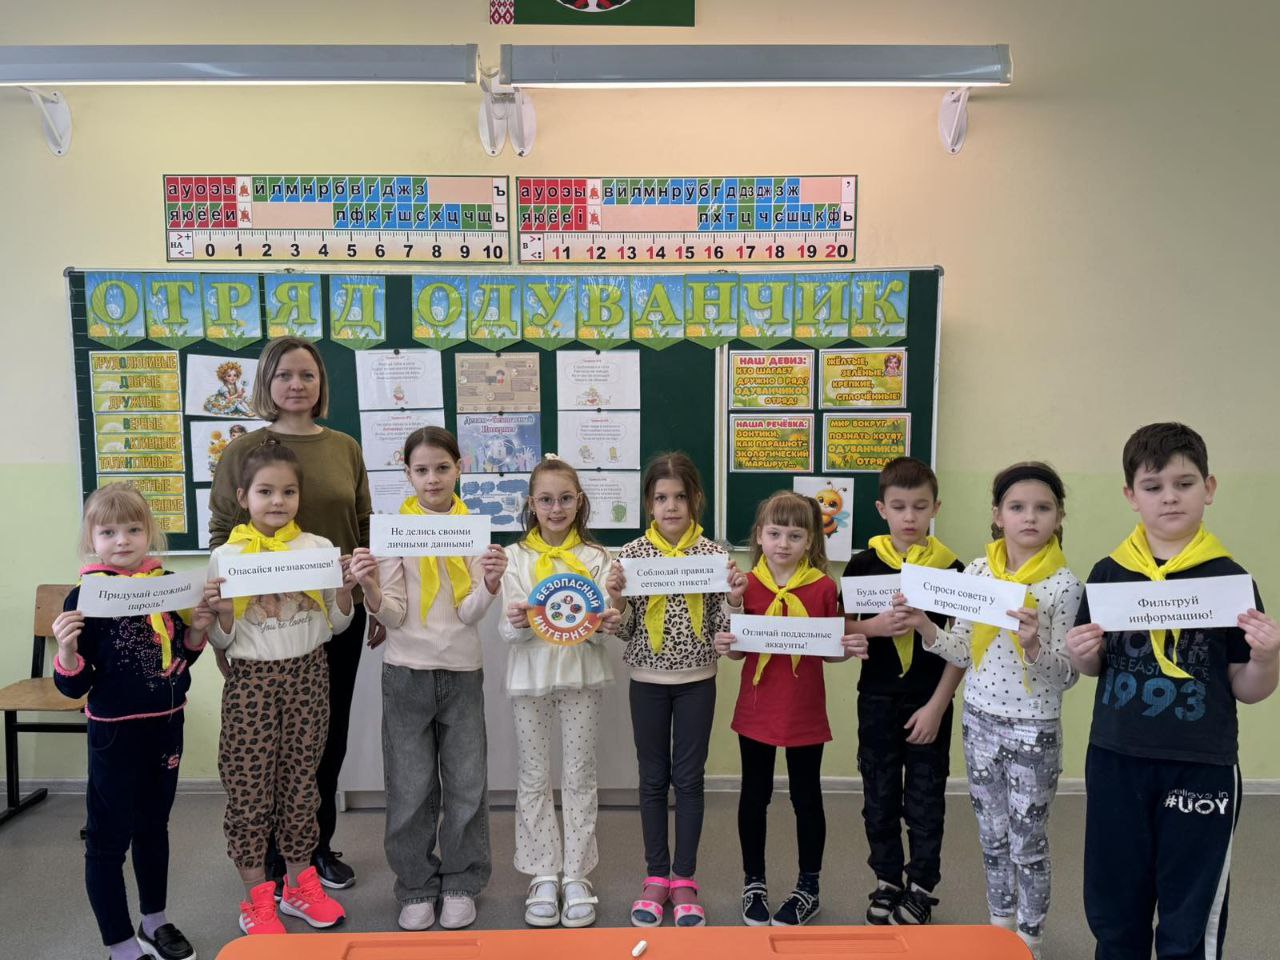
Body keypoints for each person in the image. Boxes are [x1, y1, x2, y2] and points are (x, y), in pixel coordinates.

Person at [1066, 423, 1278, 960]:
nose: (1169, 497)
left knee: (1190, 915)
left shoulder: (1230, 580)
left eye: (1184, 484)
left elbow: (1248, 689)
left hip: (1200, 765)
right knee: (1115, 908)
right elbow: (1093, 667)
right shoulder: (1108, 574)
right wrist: (1082, 652)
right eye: (1153, 486)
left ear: (1209, 488)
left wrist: (1267, 657)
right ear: (1130, 495)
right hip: (1115, 760)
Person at [208, 336, 371, 890]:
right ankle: (271, 860)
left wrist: (369, 600)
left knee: (324, 736)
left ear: (321, 383)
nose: (296, 385)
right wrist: (224, 631)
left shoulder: (345, 447)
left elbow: (362, 526)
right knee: (265, 748)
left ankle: (314, 849)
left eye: (307, 375)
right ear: (266, 383)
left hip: (335, 612)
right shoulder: (242, 449)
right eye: (284, 375)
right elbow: (222, 538)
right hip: (259, 624)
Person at [906, 461, 1082, 959]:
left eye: (1043, 508)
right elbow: (962, 650)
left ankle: (1029, 940)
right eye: (1017, 507)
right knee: (992, 837)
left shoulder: (1065, 585)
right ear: (998, 515)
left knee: (1028, 844)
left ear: (1058, 517)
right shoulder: (978, 572)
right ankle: (999, 931)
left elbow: (1068, 675)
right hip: (979, 722)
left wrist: (1033, 646)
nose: (1030, 517)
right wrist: (924, 626)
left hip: (1033, 730)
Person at [350, 426, 506, 931]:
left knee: (466, 784)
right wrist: (371, 589)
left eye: (442, 467)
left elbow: (468, 612)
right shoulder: (393, 530)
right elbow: (394, 615)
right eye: (421, 470)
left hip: (461, 673)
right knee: (410, 787)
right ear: (408, 474)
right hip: (406, 674)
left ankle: (461, 881)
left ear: (459, 468)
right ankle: (416, 885)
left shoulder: (472, 530)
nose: (433, 478)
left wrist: (489, 584)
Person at [52, 485, 210, 960]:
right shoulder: (84, 598)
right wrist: (65, 649)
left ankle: (153, 922)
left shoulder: (168, 587)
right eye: (108, 532)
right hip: (114, 732)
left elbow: (182, 656)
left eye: (133, 529)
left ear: (150, 534)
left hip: (166, 726)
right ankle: (120, 944)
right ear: (91, 539)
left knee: (154, 826)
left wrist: (198, 628)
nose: (122, 540)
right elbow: (73, 688)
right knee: (107, 839)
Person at [205, 441, 355, 935]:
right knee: (249, 790)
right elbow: (222, 641)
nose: (277, 501)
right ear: (243, 496)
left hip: (309, 676)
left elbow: (336, 624)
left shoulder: (317, 549)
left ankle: (298, 886)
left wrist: (344, 592)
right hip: (252, 682)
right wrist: (222, 616)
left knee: (302, 786)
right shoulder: (227, 556)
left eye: (288, 492)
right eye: (265, 491)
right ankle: (257, 898)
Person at [605, 452, 748, 928]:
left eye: (680, 497)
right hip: (646, 682)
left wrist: (734, 599)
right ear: (649, 503)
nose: (671, 507)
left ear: (695, 500)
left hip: (697, 682)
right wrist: (617, 600)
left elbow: (723, 629)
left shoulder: (713, 557)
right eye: (661, 498)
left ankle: (684, 878)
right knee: (652, 780)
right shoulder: (630, 557)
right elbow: (626, 630)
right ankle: (655, 877)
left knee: (689, 780)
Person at [713, 491, 858, 927]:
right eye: (775, 533)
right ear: (759, 535)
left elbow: (828, 653)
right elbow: (739, 652)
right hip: (757, 707)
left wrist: (848, 648)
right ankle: (753, 882)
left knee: (806, 796)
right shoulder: (746, 585)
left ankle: (808, 886)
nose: (783, 543)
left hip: (803, 709)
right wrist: (727, 639)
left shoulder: (823, 587)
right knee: (754, 795)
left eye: (795, 535)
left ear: (811, 540)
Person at [841, 456, 966, 925]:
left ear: (936, 508)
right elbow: (842, 628)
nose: (909, 517)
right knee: (878, 796)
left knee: (925, 799)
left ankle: (921, 887)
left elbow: (962, 648)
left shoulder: (953, 569)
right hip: (876, 700)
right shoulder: (862, 565)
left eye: (920, 506)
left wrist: (938, 705)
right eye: (899, 507)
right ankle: (887, 880)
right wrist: (872, 627)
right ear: (881, 509)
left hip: (930, 701)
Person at [499, 455, 620, 928]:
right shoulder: (513, 557)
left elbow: (599, 631)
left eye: (565, 499)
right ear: (532, 503)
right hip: (529, 677)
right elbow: (508, 633)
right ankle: (543, 872)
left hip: (582, 675)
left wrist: (603, 623)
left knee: (579, 774)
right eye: (546, 500)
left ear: (579, 501)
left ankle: (576, 874)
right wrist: (517, 621)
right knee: (533, 774)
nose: (556, 508)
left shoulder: (597, 558)